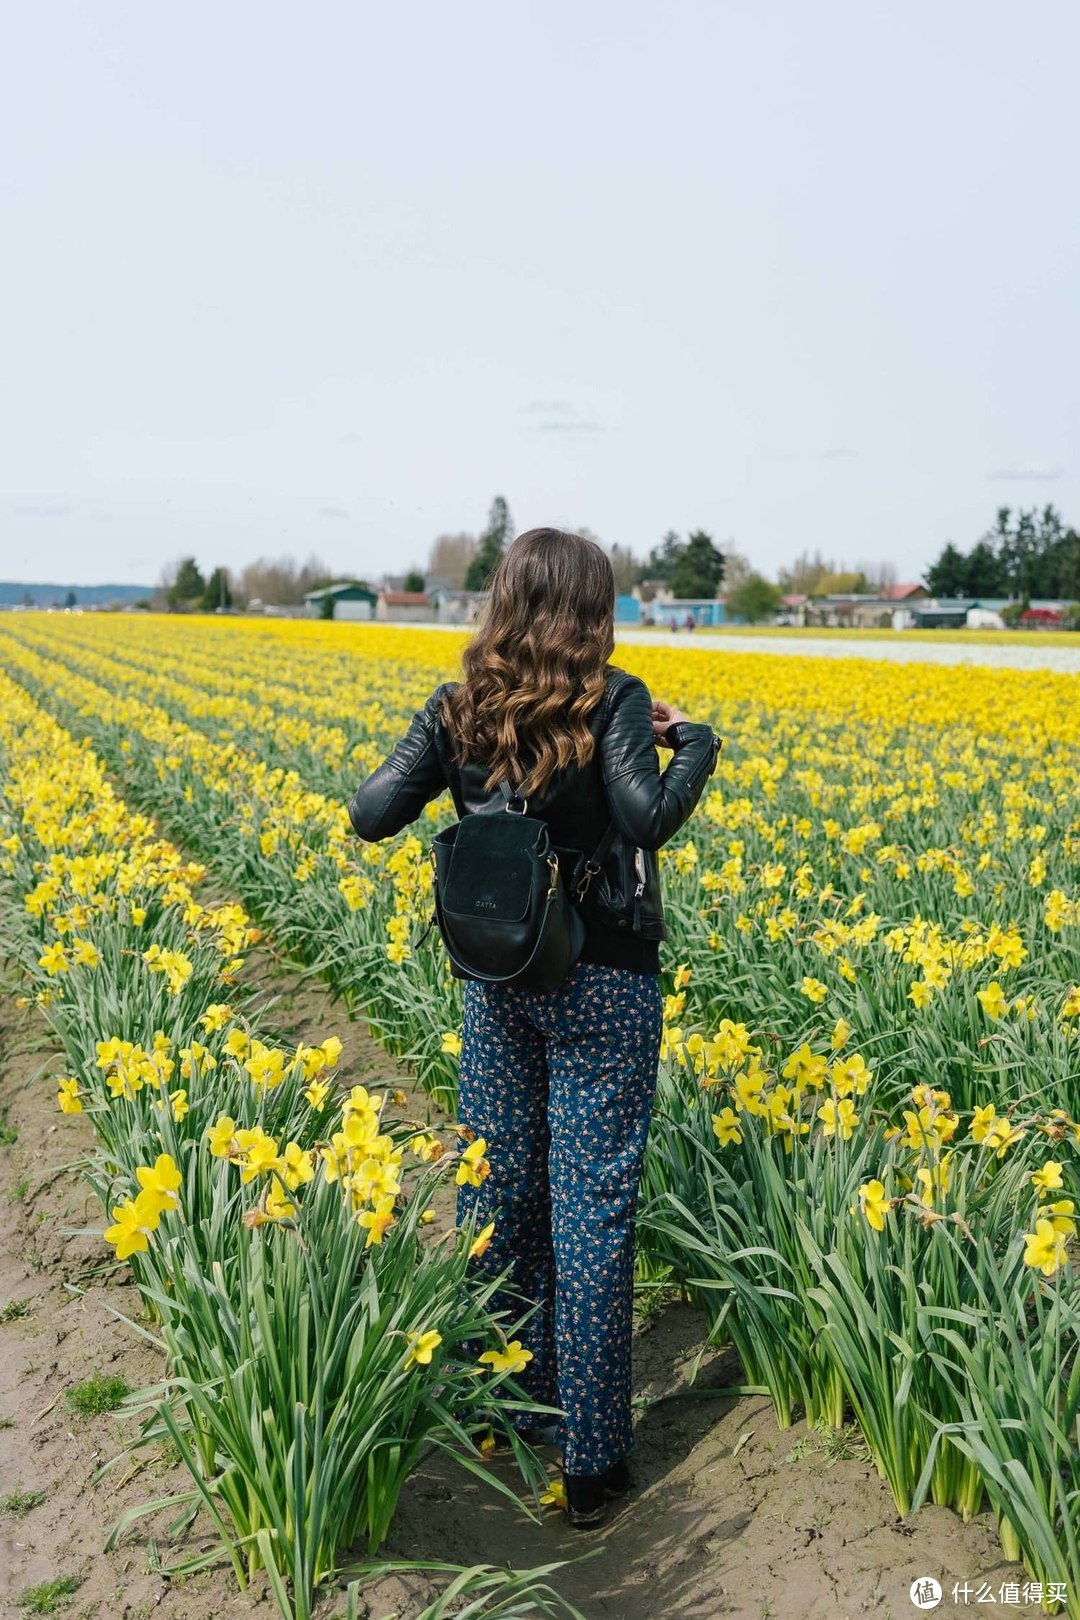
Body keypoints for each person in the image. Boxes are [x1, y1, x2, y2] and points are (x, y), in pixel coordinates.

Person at [347, 528, 721, 1529]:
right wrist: (700, 750)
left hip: (498, 974)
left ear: (506, 603)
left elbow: (372, 811)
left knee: (499, 1195)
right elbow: (646, 821)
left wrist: (448, 771)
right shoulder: (617, 698)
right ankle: (593, 1466)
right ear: (592, 611)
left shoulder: (458, 706)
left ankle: (504, 1408)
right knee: (590, 1216)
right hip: (601, 981)